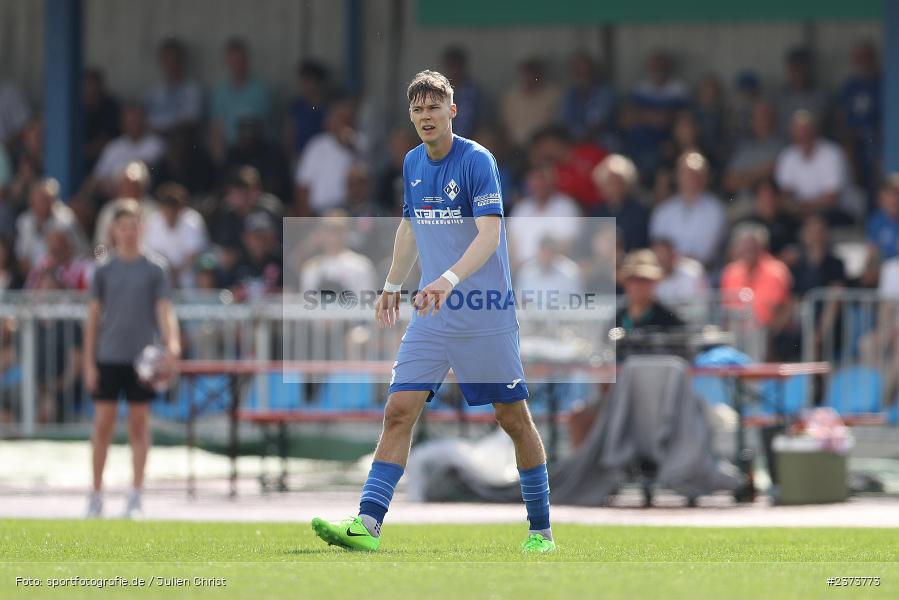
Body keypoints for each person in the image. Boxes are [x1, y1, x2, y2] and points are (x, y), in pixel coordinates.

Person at [311, 70, 556, 554]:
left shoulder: (477, 161)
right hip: (433, 312)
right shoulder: (412, 162)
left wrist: (447, 279)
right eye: (418, 109)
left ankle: (540, 531)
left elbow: (490, 235)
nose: (426, 116)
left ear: (452, 111)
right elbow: (410, 226)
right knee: (399, 410)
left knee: (513, 418)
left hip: (483, 312)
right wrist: (392, 285)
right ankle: (367, 525)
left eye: (434, 107)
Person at [83, 201, 180, 518]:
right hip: (109, 357)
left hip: (142, 360)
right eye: (122, 227)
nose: (128, 232)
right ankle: (96, 494)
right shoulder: (103, 269)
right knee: (103, 427)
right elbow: (94, 317)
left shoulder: (155, 268)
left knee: (139, 427)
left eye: (133, 226)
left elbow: (164, 310)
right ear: (114, 230)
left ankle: (136, 494)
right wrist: (88, 362)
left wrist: (172, 346)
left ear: (142, 228)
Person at [775, 110, 856, 224]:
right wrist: (791, 205)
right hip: (802, 212)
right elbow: (785, 192)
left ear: (815, 131)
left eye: (806, 130)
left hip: (838, 210)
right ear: (793, 133)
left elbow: (832, 198)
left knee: (817, 219)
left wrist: (802, 206)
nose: (803, 135)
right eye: (799, 131)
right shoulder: (788, 155)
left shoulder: (832, 153)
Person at [649, 152, 726, 268]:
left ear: (706, 177)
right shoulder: (663, 211)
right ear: (677, 176)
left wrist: (676, 260)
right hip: (666, 274)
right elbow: (658, 248)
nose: (691, 179)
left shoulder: (716, 210)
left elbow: (706, 253)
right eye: (686, 174)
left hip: (704, 274)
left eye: (696, 174)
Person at [293, 99, 365, 216]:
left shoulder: (360, 144)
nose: (343, 123)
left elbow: (364, 179)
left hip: (349, 213)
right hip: (319, 213)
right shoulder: (317, 146)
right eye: (339, 118)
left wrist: (351, 146)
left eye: (347, 119)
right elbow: (303, 186)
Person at [209, 38, 272, 164]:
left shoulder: (260, 91)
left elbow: (261, 127)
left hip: (254, 152)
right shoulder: (220, 92)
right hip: (230, 153)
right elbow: (217, 129)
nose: (237, 65)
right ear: (227, 62)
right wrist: (219, 161)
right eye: (233, 60)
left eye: (240, 60)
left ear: (247, 61)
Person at [507, 163, 581, 268]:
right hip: (523, 271)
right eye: (535, 179)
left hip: (557, 268)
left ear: (552, 181)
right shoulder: (521, 209)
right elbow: (512, 244)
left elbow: (568, 245)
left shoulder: (567, 207)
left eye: (543, 178)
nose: (539, 183)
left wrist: (542, 261)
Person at [89, 105, 165, 197]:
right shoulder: (114, 146)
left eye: (136, 119)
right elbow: (97, 176)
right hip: (115, 198)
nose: (132, 123)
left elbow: (148, 167)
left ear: (144, 120)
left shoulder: (155, 143)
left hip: (145, 198)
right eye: (129, 120)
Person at [143, 182, 208, 288]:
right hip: (160, 278)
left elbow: (194, 255)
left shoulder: (193, 221)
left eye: (173, 211)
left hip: (190, 279)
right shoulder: (152, 222)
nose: (170, 216)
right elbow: (151, 254)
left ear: (180, 209)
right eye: (167, 211)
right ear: (161, 208)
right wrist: (168, 273)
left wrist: (176, 274)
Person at [614, 249, 684, 332]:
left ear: (654, 282)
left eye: (644, 280)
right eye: (632, 279)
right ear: (625, 283)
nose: (638, 285)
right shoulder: (615, 321)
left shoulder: (670, 323)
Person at [590, 154, 648, 252]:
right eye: (609, 182)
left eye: (618, 182)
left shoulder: (639, 213)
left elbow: (640, 245)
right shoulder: (596, 213)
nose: (614, 187)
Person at [144, 37, 203, 133]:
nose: (170, 64)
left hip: (179, 137)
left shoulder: (192, 89)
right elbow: (145, 120)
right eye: (166, 60)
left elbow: (191, 120)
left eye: (173, 59)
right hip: (156, 138)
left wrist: (167, 128)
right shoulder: (154, 91)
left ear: (181, 61)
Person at [500, 58, 562, 148]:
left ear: (540, 74)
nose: (530, 78)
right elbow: (504, 126)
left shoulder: (552, 95)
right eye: (527, 74)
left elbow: (556, 125)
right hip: (515, 147)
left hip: (543, 146)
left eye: (533, 74)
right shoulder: (511, 96)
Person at [867, 175, 899, 261]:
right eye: (888, 196)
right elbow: (873, 251)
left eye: (895, 195)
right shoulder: (876, 221)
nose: (893, 200)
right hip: (886, 266)